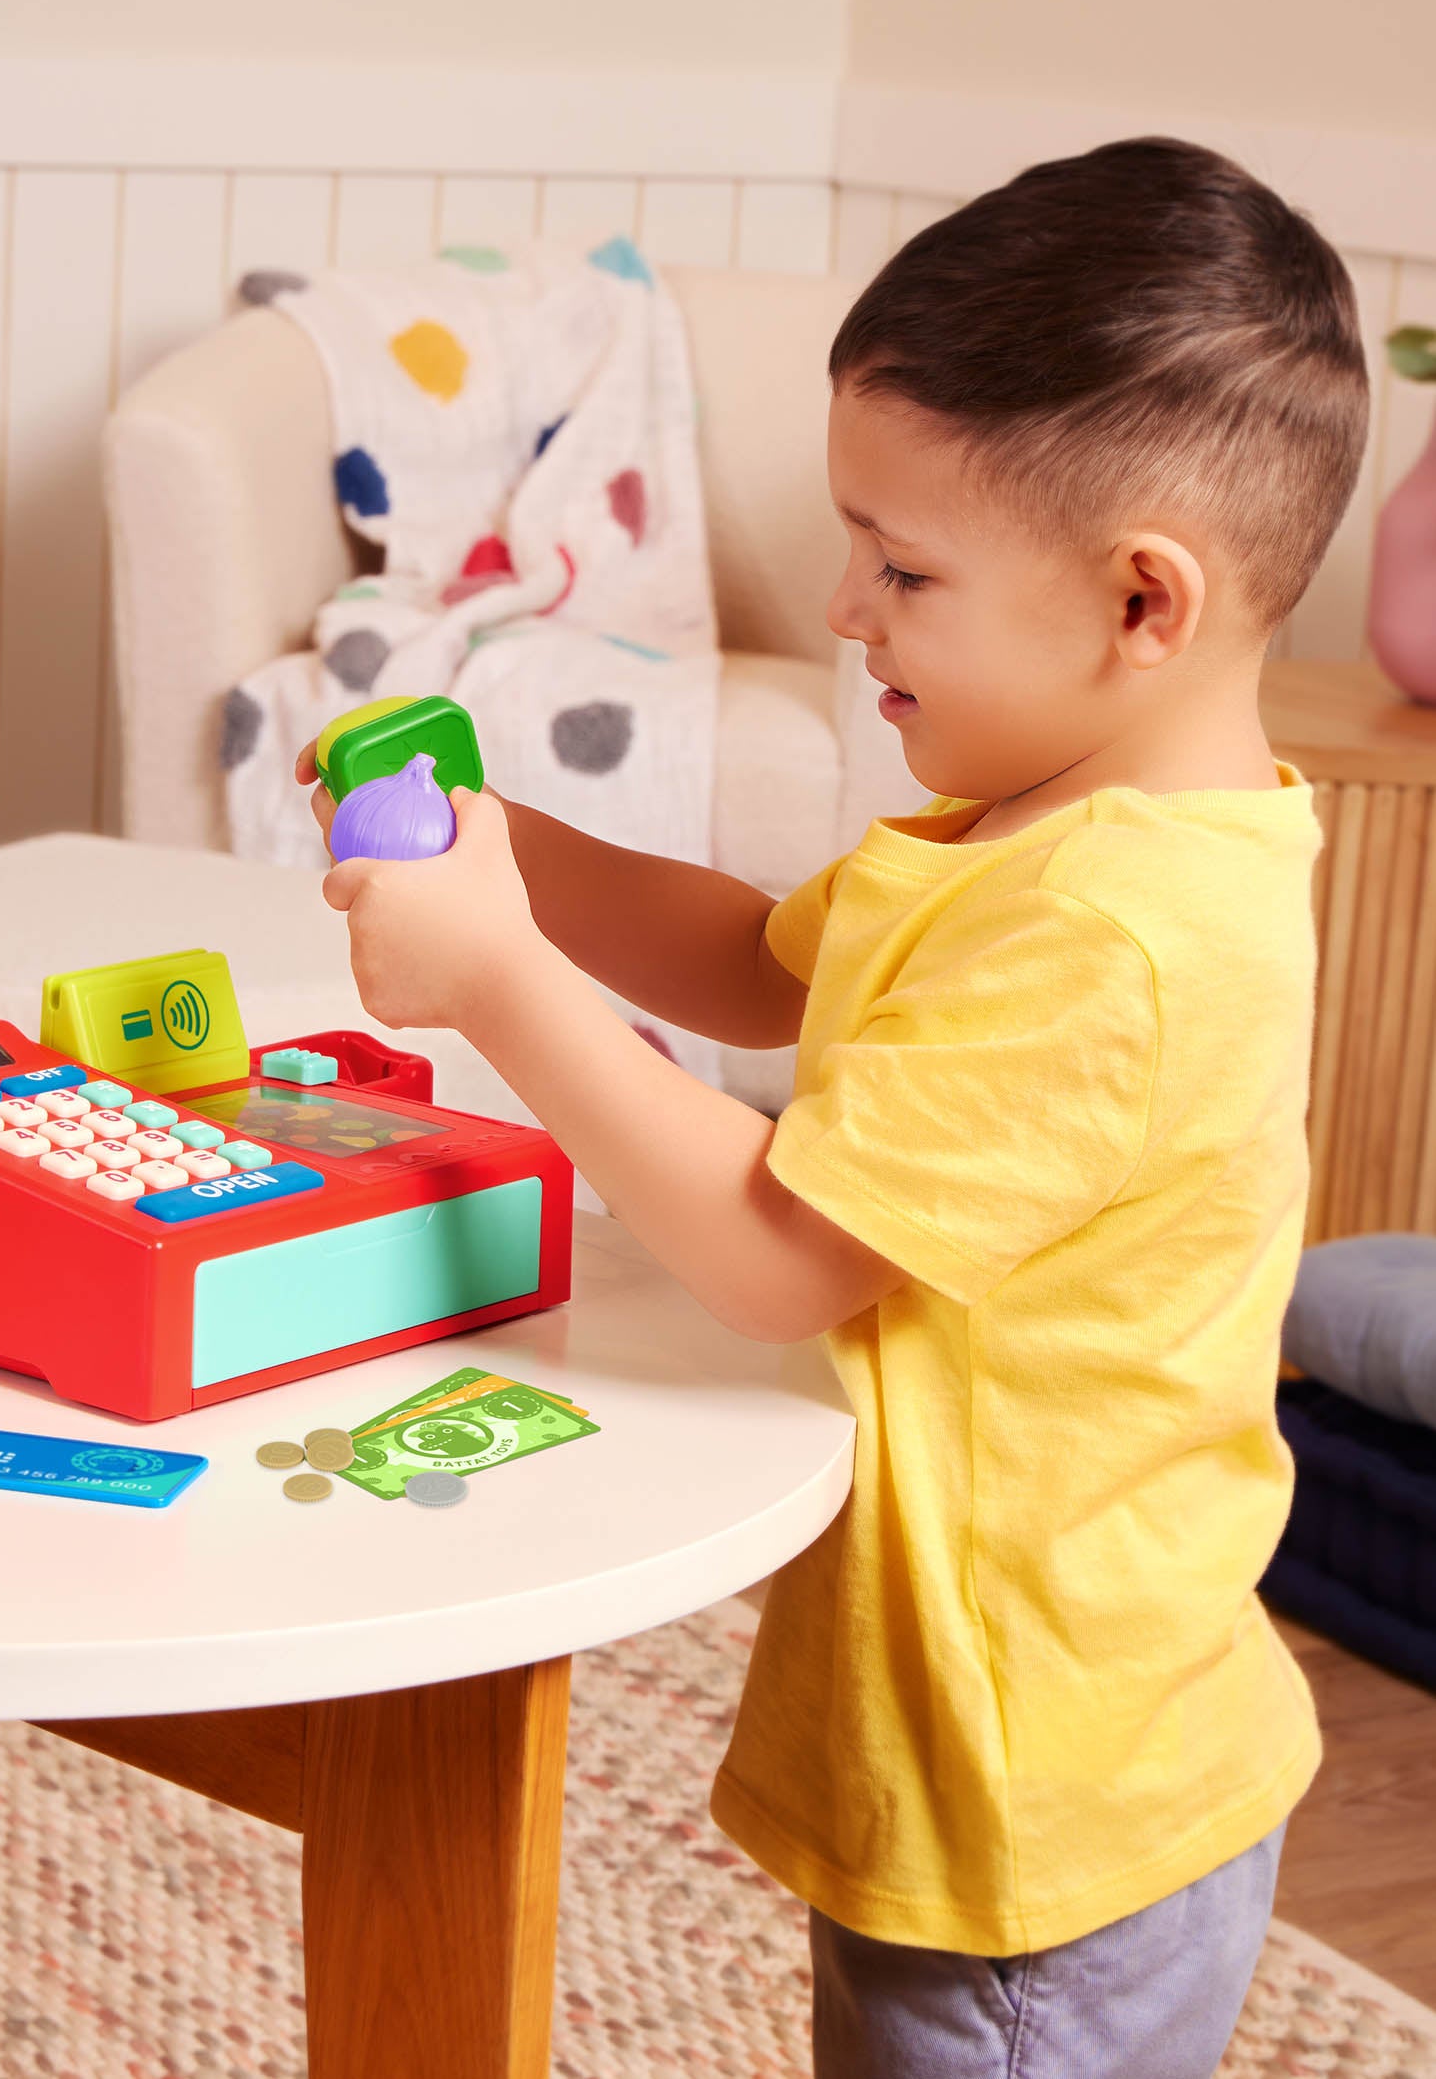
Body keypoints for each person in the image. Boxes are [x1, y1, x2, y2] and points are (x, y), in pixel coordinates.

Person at [296, 137, 1368, 2078]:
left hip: (1042, 1808)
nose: (843, 603)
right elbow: (762, 966)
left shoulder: (1116, 936)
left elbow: (783, 1253)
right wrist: (505, 848)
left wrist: (495, 979)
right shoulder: (1039, 826)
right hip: (986, 1748)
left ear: (1145, 602)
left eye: (905, 567)